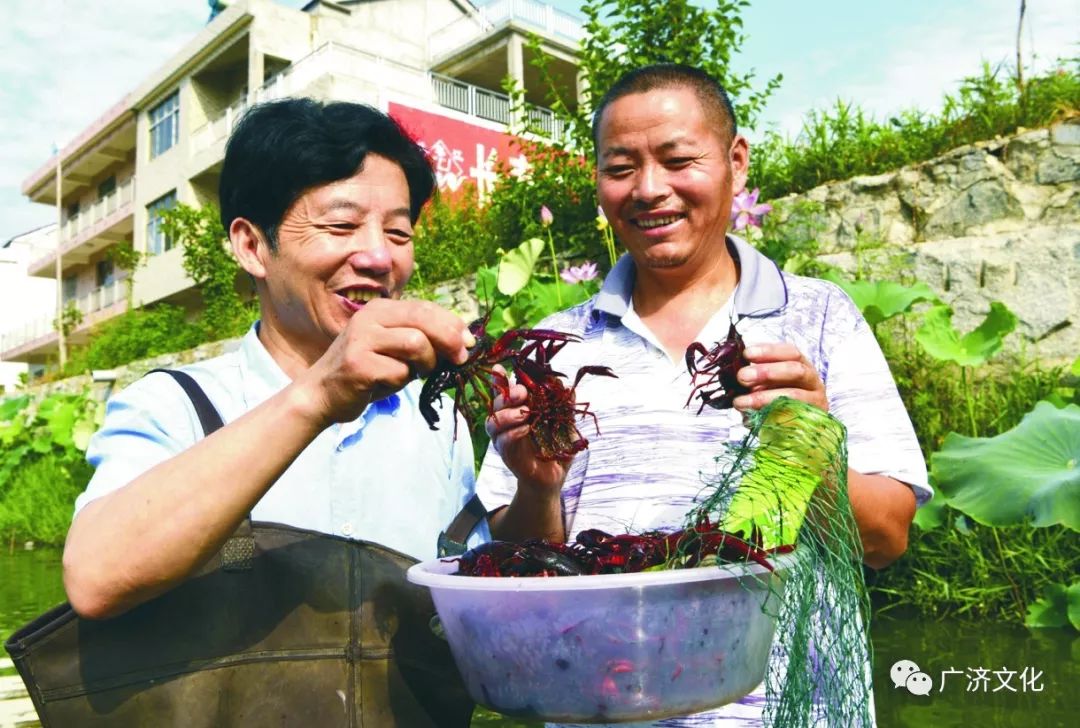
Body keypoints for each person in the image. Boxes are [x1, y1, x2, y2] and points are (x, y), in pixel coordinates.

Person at [477, 64, 932, 726]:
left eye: (678, 159)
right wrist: (539, 489)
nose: (649, 189)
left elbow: (886, 537)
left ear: (735, 162)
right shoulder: (554, 347)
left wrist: (813, 449)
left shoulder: (819, 318)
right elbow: (518, 570)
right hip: (602, 708)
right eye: (620, 167)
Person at [63, 99, 486, 618]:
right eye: (340, 226)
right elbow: (94, 579)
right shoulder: (171, 405)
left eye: (398, 233)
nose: (379, 257)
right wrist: (321, 393)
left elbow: (475, 589)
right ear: (252, 246)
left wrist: (536, 491)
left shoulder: (440, 422)